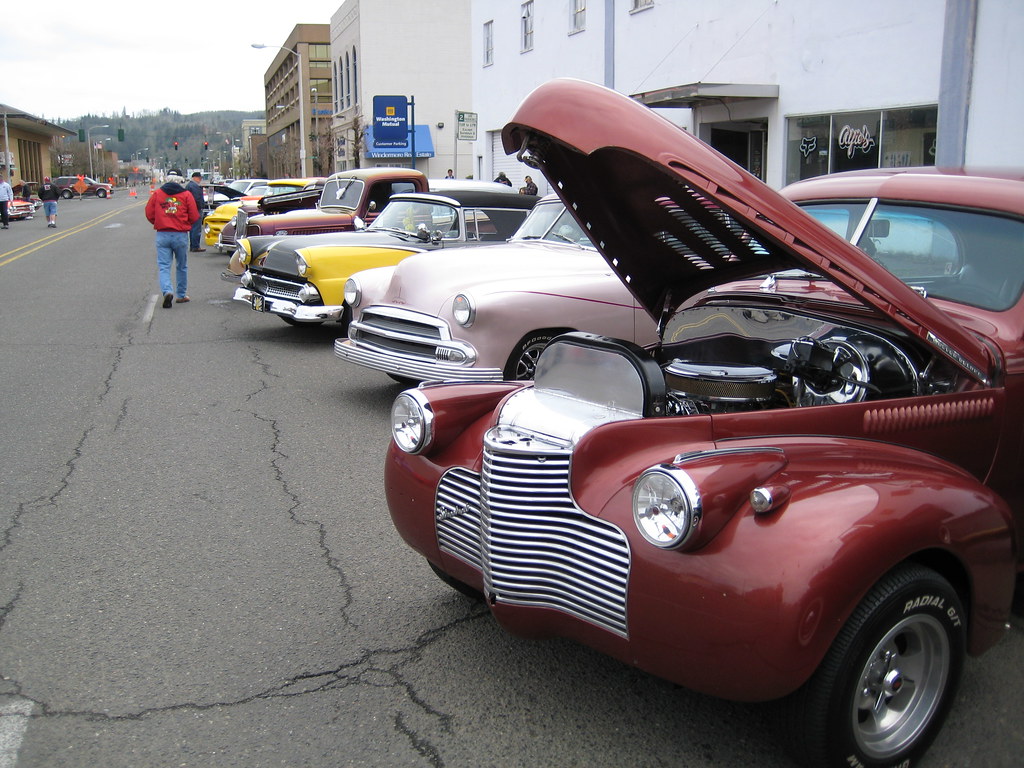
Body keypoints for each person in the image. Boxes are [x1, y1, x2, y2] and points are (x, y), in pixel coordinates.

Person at [145, 169, 199, 308]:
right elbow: (194, 215)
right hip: (180, 234)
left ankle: (167, 291)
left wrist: (159, 222)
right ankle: (181, 294)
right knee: (181, 265)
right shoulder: (186, 195)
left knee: (164, 266)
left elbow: (149, 213)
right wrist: (185, 223)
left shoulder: (158, 194)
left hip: (163, 234)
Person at [186, 171, 206, 252]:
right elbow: (197, 198)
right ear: (195, 178)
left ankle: (193, 245)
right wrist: (201, 206)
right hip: (196, 209)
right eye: (199, 178)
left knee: (193, 228)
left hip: (191, 209)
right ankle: (195, 246)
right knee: (196, 228)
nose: (200, 180)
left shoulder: (189, 185)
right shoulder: (194, 186)